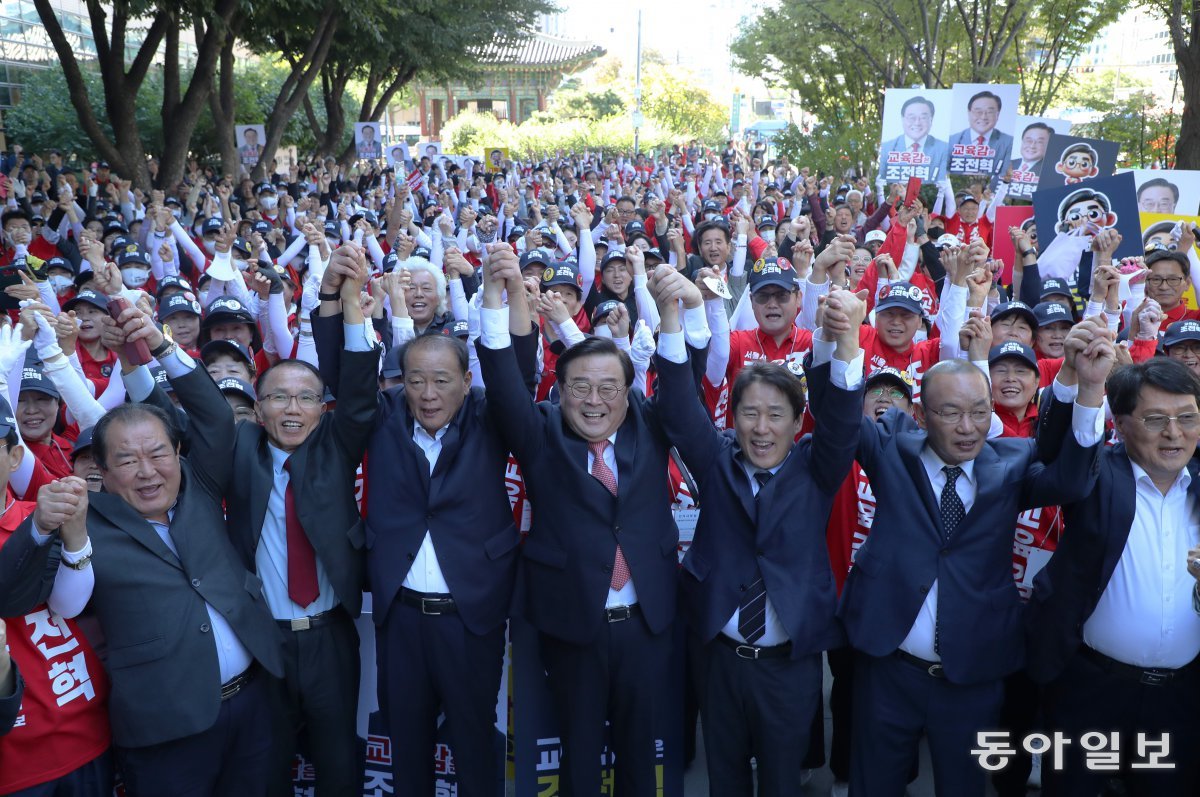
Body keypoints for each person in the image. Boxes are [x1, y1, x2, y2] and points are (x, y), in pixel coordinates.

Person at [0, 297, 287, 796]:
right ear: (103, 475)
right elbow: (11, 595)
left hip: (254, 706)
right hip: (165, 731)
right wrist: (43, 529)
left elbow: (216, 419)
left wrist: (158, 344)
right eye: (128, 461)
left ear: (179, 453)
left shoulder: (198, 486)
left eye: (158, 454)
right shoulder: (86, 526)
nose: (148, 471)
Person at [839, 316, 1112, 797]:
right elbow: (836, 410)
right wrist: (838, 341)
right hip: (888, 664)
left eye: (980, 412)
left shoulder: (1011, 462)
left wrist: (1088, 388)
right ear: (922, 416)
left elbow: (1071, 480)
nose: (969, 429)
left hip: (973, 674)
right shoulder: (891, 453)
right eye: (950, 413)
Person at [476, 243, 707, 795]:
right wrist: (493, 296)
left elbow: (678, 391)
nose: (594, 401)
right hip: (572, 624)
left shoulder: (650, 427)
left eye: (609, 388)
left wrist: (675, 314)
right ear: (559, 392)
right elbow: (504, 384)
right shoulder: (541, 433)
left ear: (629, 396)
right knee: (579, 757)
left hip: (646, 624)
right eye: (579, 387)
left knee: (637, 753)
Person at [316, 261, 535, 795]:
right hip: (402, 619)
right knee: (406, 747)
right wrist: (331, 299)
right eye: (416, 381)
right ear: (401, 382)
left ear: (467, 382)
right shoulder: (384, 417)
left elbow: (516, 375)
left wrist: (494, 298)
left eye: (442, 381)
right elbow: (344, 377)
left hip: (472, 619)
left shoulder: (490, 417)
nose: (429, 394)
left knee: (474, 746)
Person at [655, 271, 865, 796]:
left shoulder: (818, 468)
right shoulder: (717, 459)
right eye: (750, 413)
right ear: (734, 418)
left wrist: (847, 341)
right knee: (723, 777)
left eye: (776, 414)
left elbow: (840, 418)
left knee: (780, 781)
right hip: (718, 658)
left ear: (798, 423)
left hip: (788, 667)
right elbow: (680, 410)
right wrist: (672, 317)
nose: (762, 428)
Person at [1029, 356, 1200, 796]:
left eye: (1187, 418)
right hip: (1090, 689)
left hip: (1177, 700)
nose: (1174, 433)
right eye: (1156, 419)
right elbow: (1059, 453)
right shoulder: (1096, 477)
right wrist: (1086, 386)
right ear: (1121, 426)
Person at [877, 96, 951, 184]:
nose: (917, 123)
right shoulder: (887, 147)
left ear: (931, 120)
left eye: (923, 118)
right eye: (912, 117)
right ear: (902, 119)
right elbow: (882, 180)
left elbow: (941, 181)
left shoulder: (943, 148)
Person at [949, 91, 1013, 178]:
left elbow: (1006, 175)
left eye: (990, 112)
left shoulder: (1009, 142)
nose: (983, 117)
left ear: (997, 115)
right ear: (969, 113)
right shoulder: (952, 140)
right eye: (978, 112)